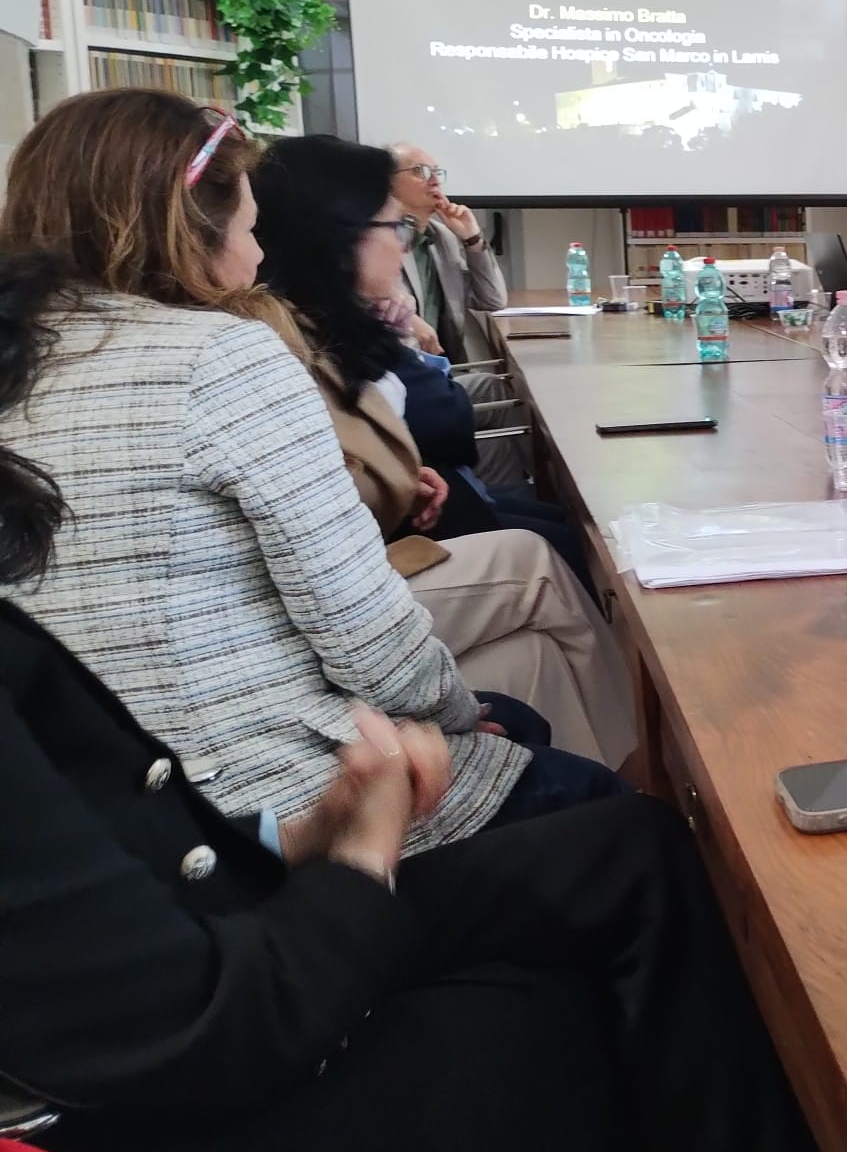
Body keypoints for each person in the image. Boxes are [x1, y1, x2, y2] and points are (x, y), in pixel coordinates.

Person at [0, 279, 834, 1152]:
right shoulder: (212, 361)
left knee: (634, 846)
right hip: (185, 1099)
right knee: (585, 1006)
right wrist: (360, 855)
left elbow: (112, 860)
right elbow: (198, 1033)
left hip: (226, 918)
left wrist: (297, 835)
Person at [0, 91, 624, 844]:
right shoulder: (216, 355)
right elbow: (359, 626)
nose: (260, 256)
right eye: (248, 230)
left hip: (91, 804)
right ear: (188, 232)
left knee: (534, 663)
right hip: (259, 804)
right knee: (630, 822)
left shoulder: (25, 356)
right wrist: (460, 717)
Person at [253, 136, 597, 596]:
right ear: (340, 233)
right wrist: (401, 338)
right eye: (395, 226)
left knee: (571, 532)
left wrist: (472, 238)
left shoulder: (438, 240)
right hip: (378, 556)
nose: (402, 246)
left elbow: (493, 301)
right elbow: (438, 417)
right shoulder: (303, 333)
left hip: (417, 489)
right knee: (563, 549)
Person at [388, 141, 505, 364]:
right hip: (402, 369)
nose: (434, 181)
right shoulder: (379, 240)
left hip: (444, 367)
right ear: (389, 182)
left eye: (436, 172)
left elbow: (493, 300)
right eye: (420, 171)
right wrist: (409, 320)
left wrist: (472, 238)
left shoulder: (443, 237)